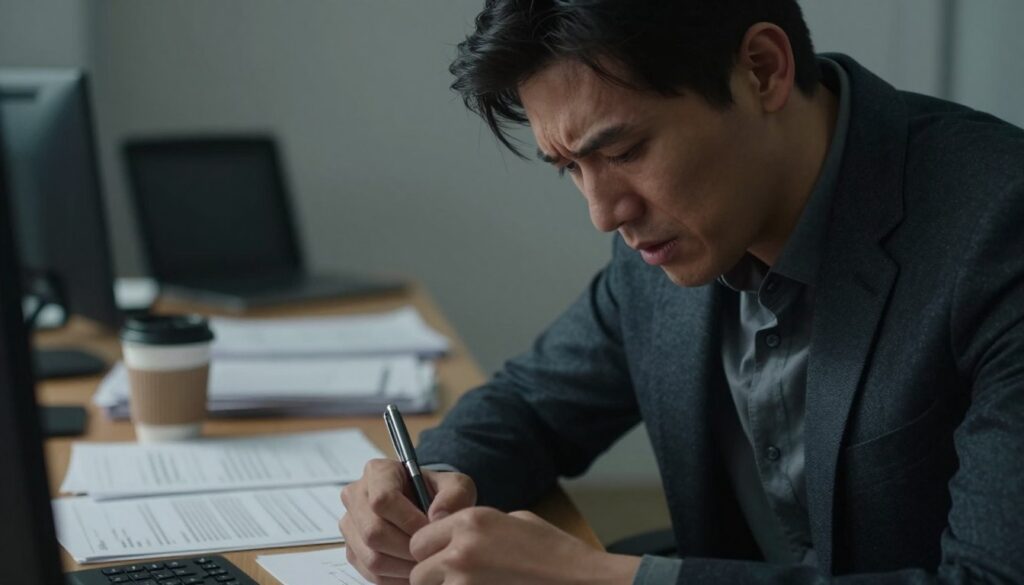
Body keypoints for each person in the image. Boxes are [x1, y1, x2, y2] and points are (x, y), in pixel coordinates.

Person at [339, 0, 1024, 583]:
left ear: (762, 70)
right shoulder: (671, 231)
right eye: (570, 167)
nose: (604, 212)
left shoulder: (1000, 227)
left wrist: (599, 577)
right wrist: (423, 479)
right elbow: (533, 404)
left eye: (625, 150)